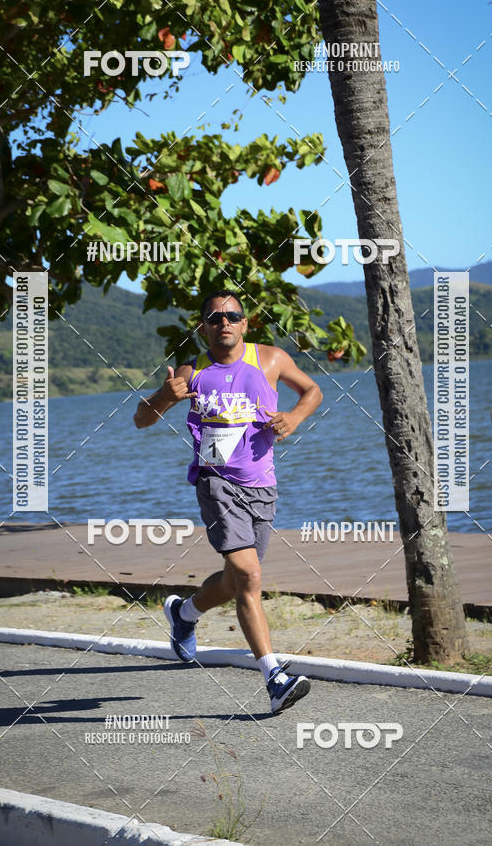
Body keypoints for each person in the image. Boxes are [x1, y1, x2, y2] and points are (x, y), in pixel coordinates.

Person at [134, 290, 323, 713]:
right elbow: (141, 419)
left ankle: (184, 614)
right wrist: (165, 396)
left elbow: (312, 390)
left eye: (233, 316)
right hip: (215, 482)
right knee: (250, 576)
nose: (225, 323)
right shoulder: (192, 371)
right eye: (216, 317)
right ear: (203, 326)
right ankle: (274, 678)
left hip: (262, 485)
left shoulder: (270, 358)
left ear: (245, 323)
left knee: (235, 581)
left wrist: (294, 416)